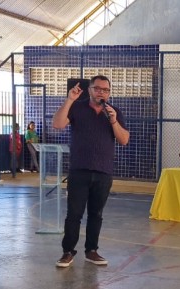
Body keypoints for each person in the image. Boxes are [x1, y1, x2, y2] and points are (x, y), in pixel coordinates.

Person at [52, 75, 129, 268]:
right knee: (74, 214)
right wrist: (69, 100)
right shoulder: (77, 107)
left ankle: (91, 251)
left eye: (105, 90)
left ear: (109, 93)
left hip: (103, 172)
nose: (101, 92)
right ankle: (68, 252)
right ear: (90, 90)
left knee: (96, 214)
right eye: (97, 88)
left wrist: (114, 121)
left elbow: (124, 140)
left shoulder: (114, 112)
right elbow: (58, 124)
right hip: (79, 170)